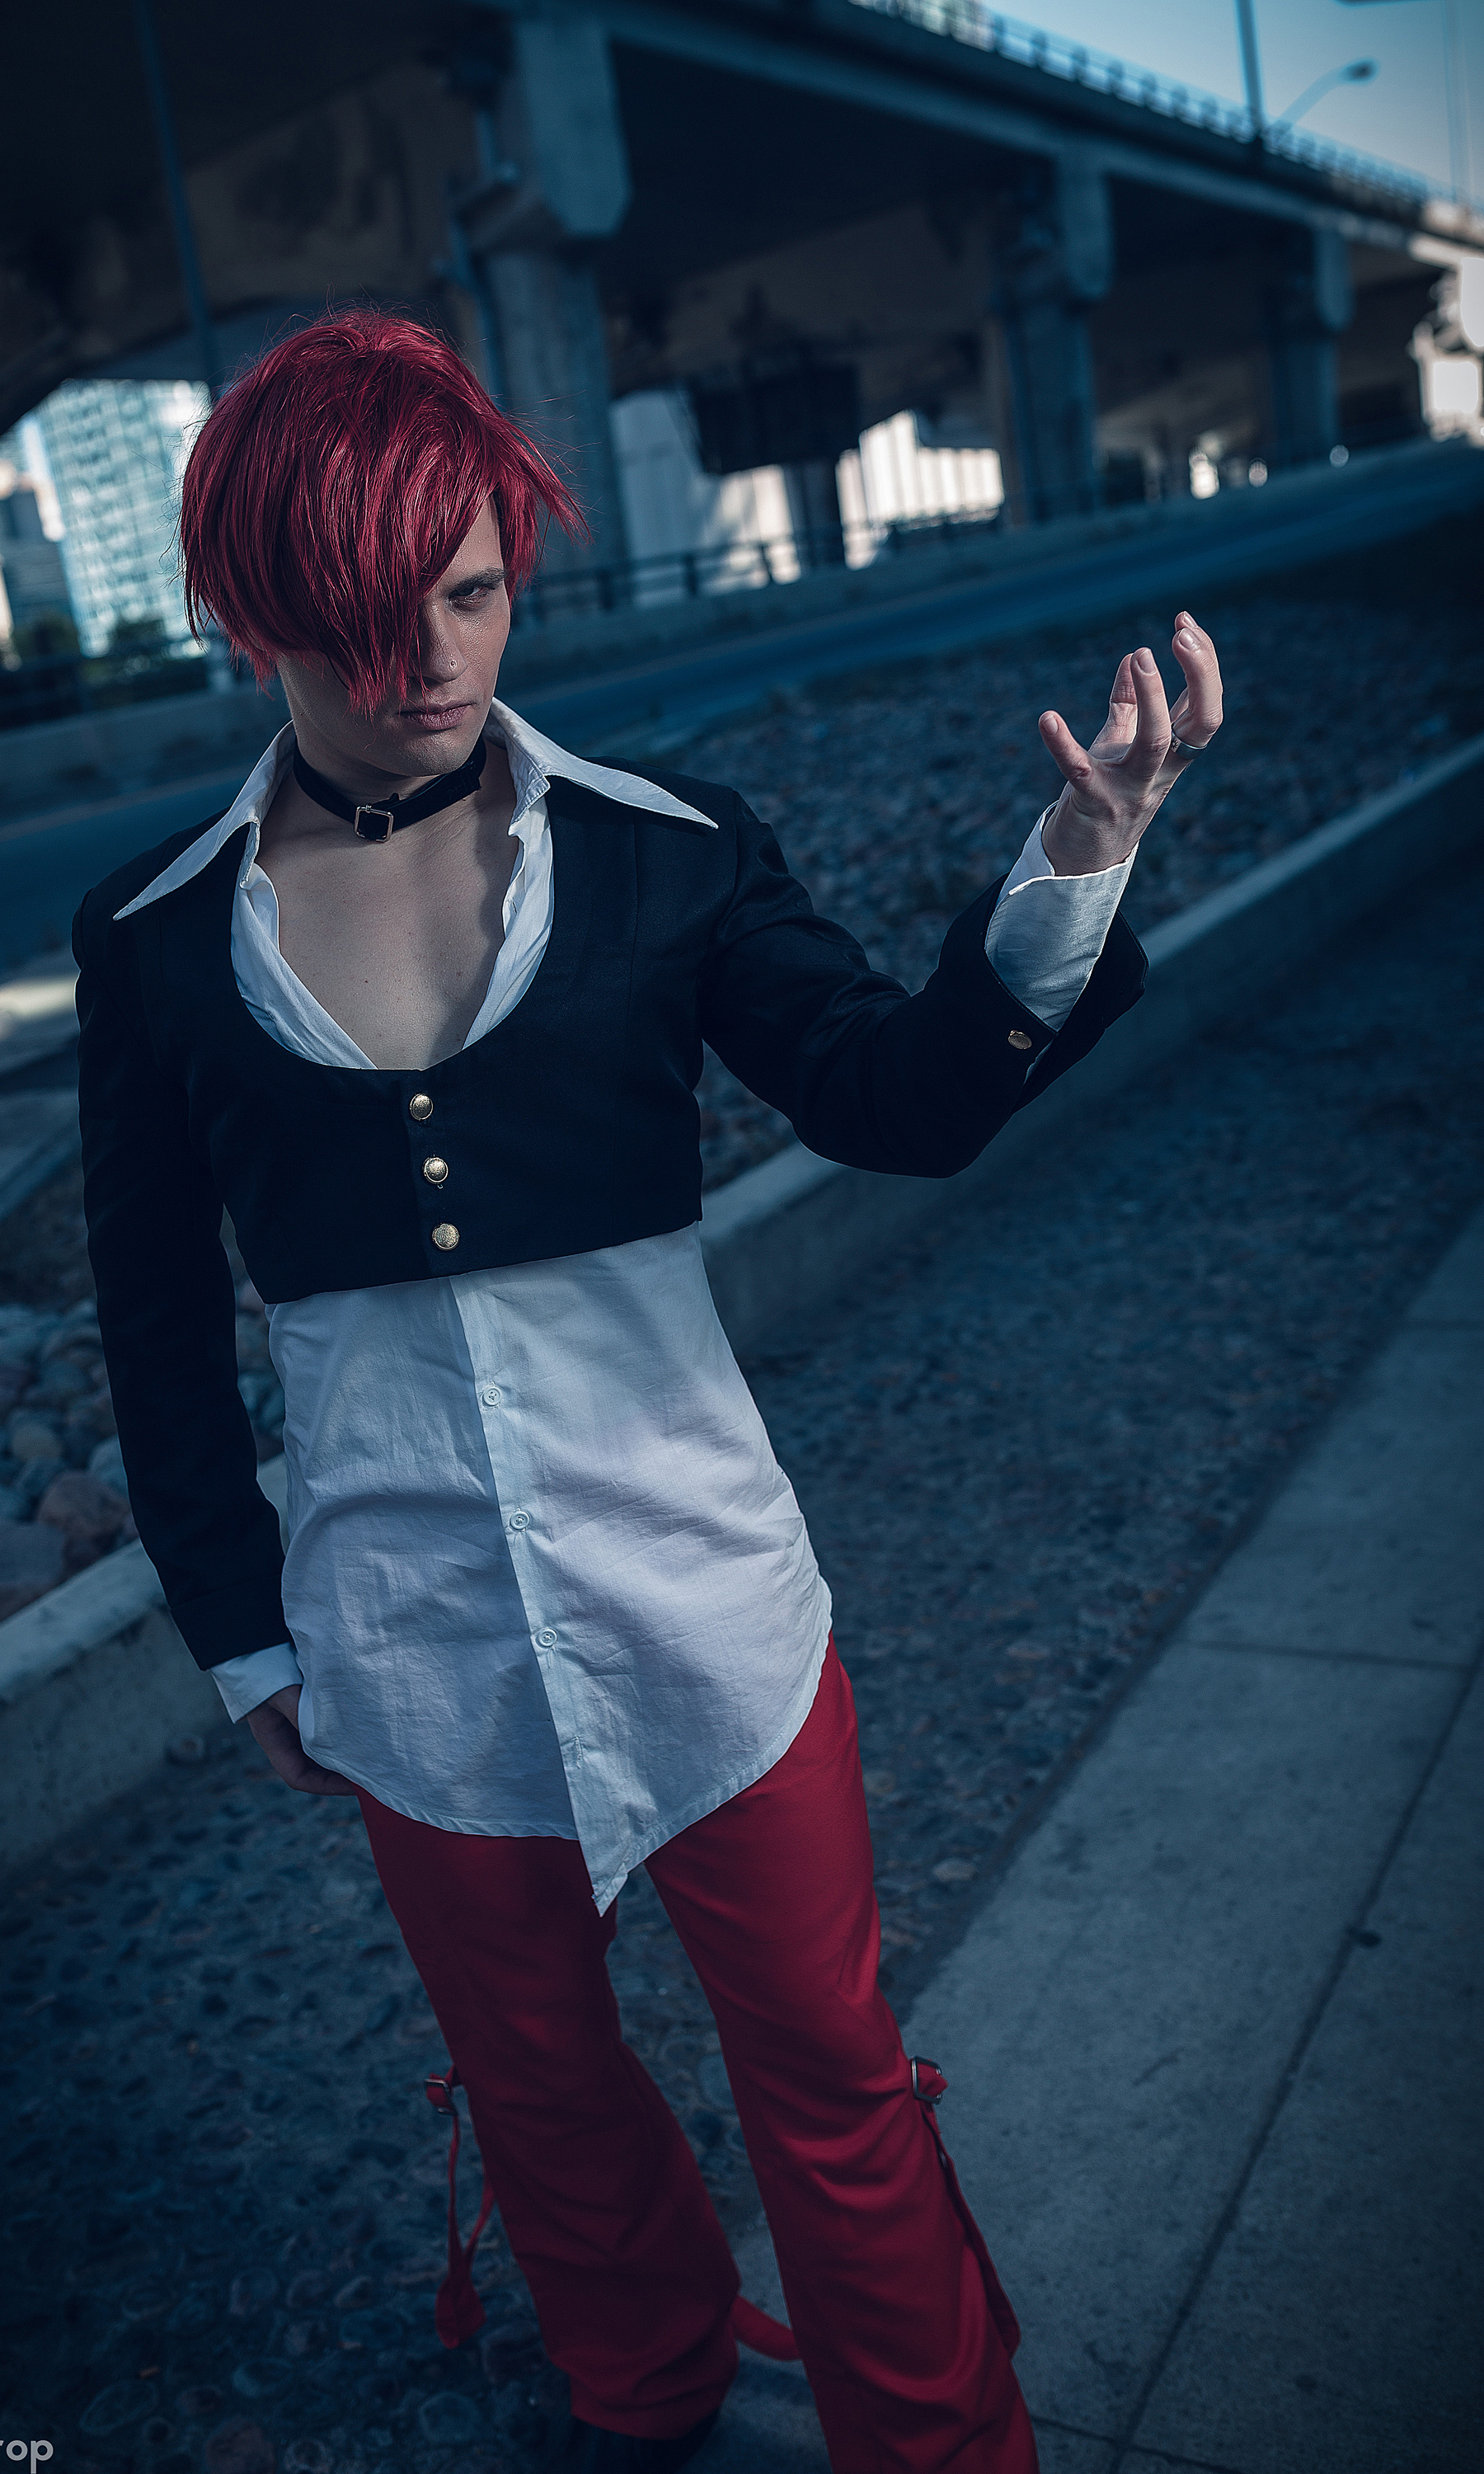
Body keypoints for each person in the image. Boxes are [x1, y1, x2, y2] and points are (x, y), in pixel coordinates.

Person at [74, 313, 1222, 2474]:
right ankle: (647, 2388)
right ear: (250, 618)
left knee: (834, 2077)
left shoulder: (666, 845)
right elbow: (149, 1317)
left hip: (710, 1609)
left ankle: (940, 2445)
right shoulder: (151, 935)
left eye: (473, 592)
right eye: (367, 619)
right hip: (406, 1643)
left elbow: (893, 1102)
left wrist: (1075, 869)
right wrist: (241, 1630)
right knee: (539, 2092)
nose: (435, 661)